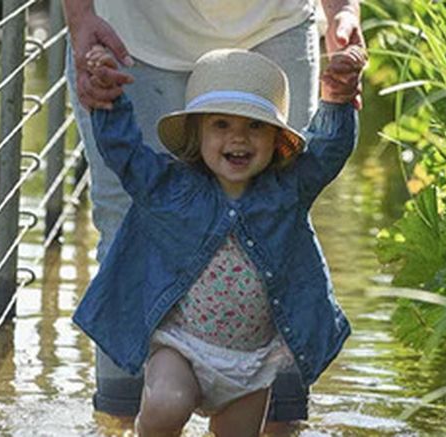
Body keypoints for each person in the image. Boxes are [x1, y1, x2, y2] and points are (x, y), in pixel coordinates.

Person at [62, 0, 368, 427]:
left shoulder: (287, 190)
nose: (239, 138)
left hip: (251, 360)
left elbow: (327, 151)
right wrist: (108, 98)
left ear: (279, 138)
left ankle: (287, 413)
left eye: (256, 126)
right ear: (196, 135)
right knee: (166, 402)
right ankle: (121, 412)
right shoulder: (168, 189)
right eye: (221, 125)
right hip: (182, 344)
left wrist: (336, 93)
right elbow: (126, 154)